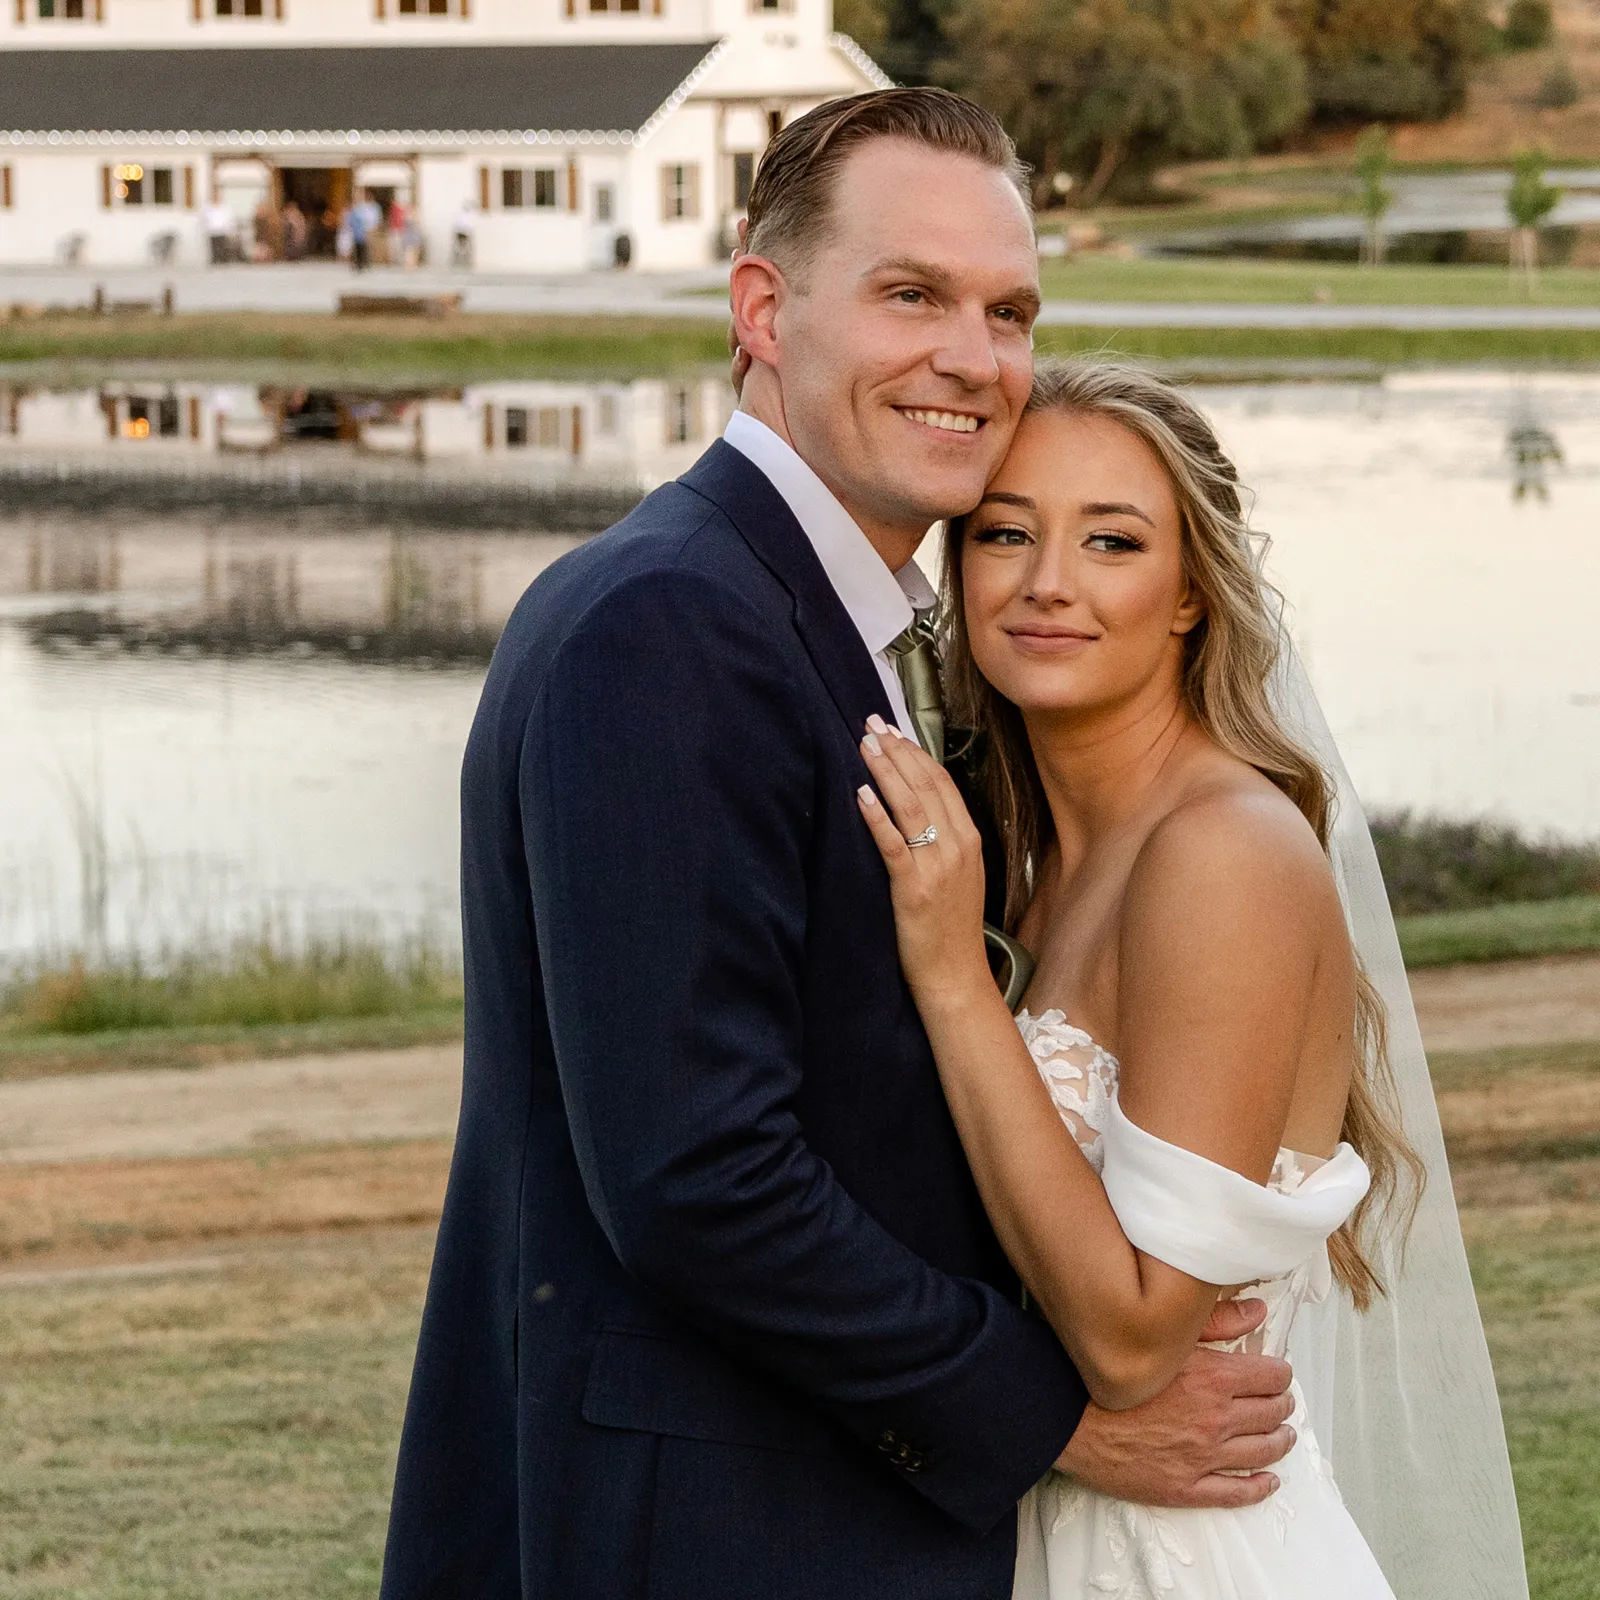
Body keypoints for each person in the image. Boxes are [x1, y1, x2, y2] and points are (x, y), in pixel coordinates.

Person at [380, 90, 1303, 1600]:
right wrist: (1053, 1414)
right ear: (762, 307)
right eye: (912, 295)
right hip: (713, 1528)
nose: (974, 358)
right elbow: (701, 1176)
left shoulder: (825, 622)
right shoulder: (671, 624)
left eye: (1009, 309)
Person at [852, 359, 1528, 1597]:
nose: (1047, 581)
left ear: (1188, 596)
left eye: (1112, 541)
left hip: (1185, 1554)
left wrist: (953, 978)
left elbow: (1131, 1333)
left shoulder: (1219, 852)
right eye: (1005, 533)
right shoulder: (1037, 861)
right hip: (1044, 1524)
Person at [202, 198, 235, 266]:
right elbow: (205, 219)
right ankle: (215, 259)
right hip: (212, 230)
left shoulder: (224, 208)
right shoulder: (209, 208)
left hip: (222, 230)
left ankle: (222, 259)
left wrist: (229, 229)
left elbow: (228, 219)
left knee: (221, 246)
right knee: (214, 246)